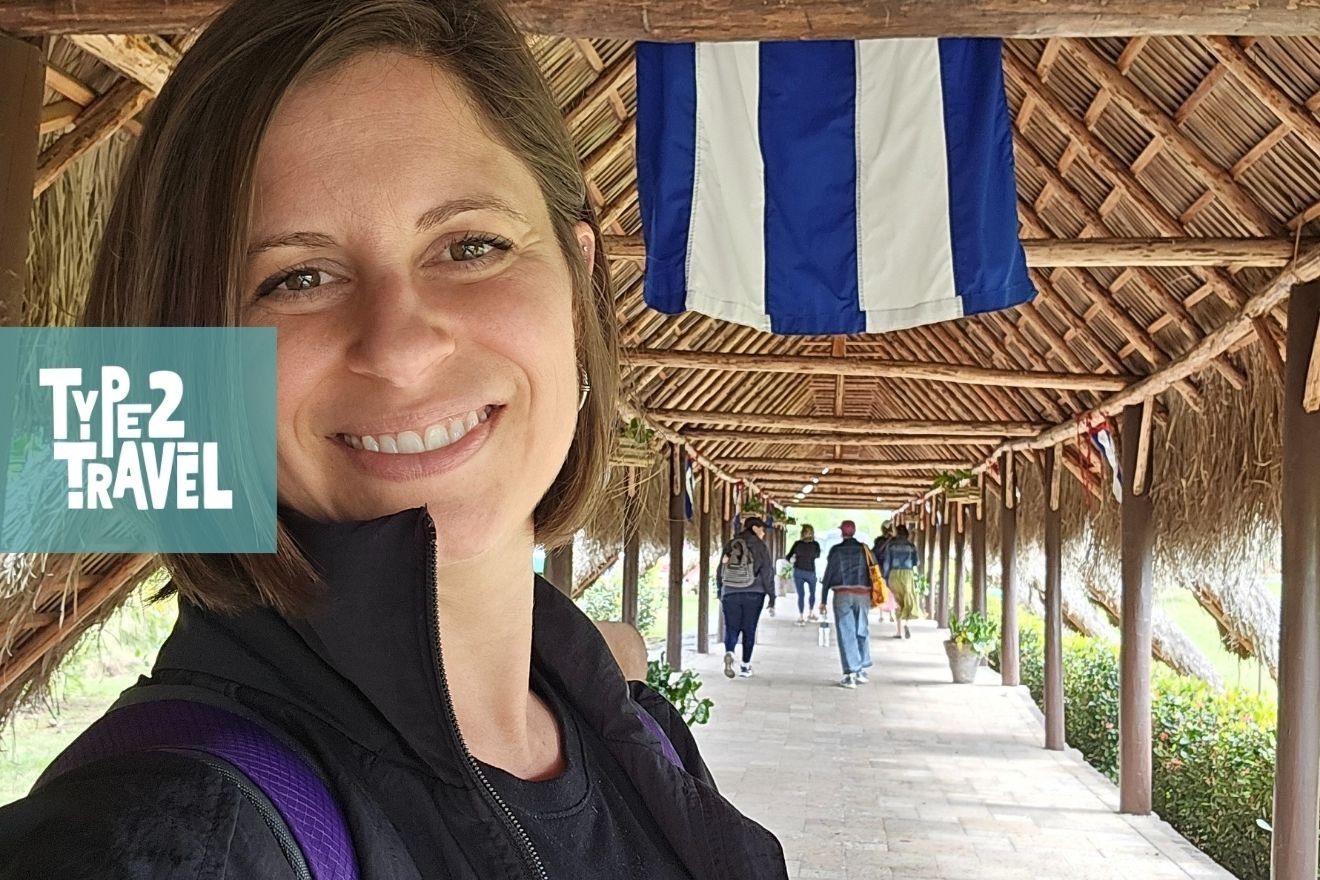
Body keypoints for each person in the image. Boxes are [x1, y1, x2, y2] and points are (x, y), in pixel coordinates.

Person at [0, 2, 789, 878]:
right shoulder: (180, 829)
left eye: (471, 245)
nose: (402, 346)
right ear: (185, 356)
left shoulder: (632, 731)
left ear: (577, 284)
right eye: (295, 277)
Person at [820, 521, 874, 689]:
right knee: (862, 629)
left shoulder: (836, 550)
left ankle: (850, 673)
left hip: (842, 594)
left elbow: (828, 574)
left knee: (846, 632)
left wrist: (823, 599)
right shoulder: (865, 549)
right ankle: (861, 669)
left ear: (842, 533)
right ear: (855, 531)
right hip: (863, 594)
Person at [718, 516, 773, 678]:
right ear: (755, 528)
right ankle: (745, 665)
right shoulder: (760, 546)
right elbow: (767, 572)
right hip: (754, 593)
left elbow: (720, 569)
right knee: (749, 629)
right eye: (762, 529)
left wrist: (720, 589)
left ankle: (730, 651)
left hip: (730, 591)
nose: (763, 532)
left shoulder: (731, 543)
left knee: (731, 627)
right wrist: (772, 596)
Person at [882, 524, 922, 640]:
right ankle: (907, 624)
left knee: (897, 601)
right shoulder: (911, 546)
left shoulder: (891, 546)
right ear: (907, 534)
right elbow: (916, 563)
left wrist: (885, 577)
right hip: (908, 575)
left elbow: (886, 563)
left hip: (894, 574)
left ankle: (899, 631)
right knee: (908, 599)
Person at [785, 524, 822, 625]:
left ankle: (801, 616)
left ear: (802, 533)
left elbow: (788, 556)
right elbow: (817, 555)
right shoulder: (816, 545)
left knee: (801, 595)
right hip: (810, 571)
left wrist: (793, 560)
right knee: (812, 593)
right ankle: (811, 613)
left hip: (798, 571)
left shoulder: (797, 544)